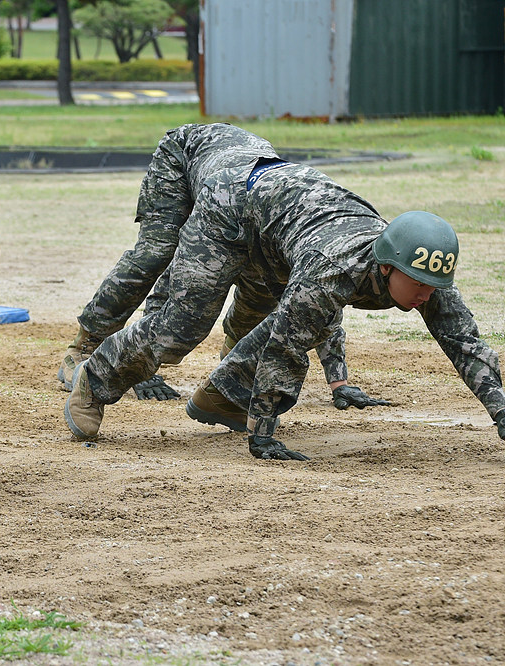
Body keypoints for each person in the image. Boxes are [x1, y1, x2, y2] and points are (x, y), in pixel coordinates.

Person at [64, 125, 505, 460]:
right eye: (421, 285)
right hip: (231, 208)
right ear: (386, 265)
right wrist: (264, 435)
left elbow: (467, 345)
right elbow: (290, 344)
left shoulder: (423, 270)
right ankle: (94, 380)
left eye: (435, 286)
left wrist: (501, 413)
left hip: (282, 231)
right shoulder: (335, 267)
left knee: (280, 314)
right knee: (184, 325)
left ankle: (222, 395)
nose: (429, 294)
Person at [58, 123, 387, 414]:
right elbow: (182, 282)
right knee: (158, 252)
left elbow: (320, 300)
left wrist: (338, 381)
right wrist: (145, 364)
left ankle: (234, 359)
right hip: (188, 160)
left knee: (263, 285)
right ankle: (87, 343)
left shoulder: (312, 236)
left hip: (246, 191)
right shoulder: (262, 206)